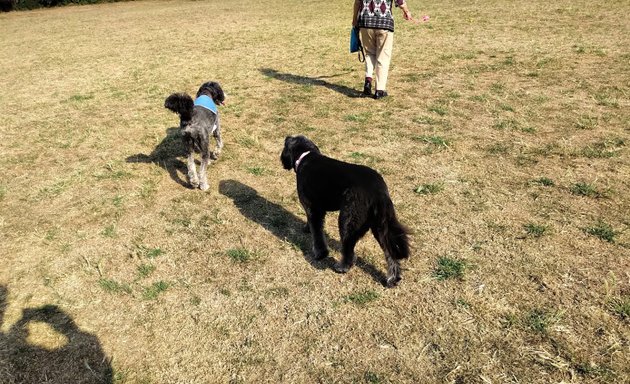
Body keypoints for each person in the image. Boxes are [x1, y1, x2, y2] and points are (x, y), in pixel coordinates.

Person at [352, 0, 416, 99]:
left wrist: (354, 20)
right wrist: (406, 11)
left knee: (369, 53)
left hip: (365, 21)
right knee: (383, 56)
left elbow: (357, 2)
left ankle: (368, 80)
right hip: (384, 22)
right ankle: (380, 90)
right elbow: (400, 1)